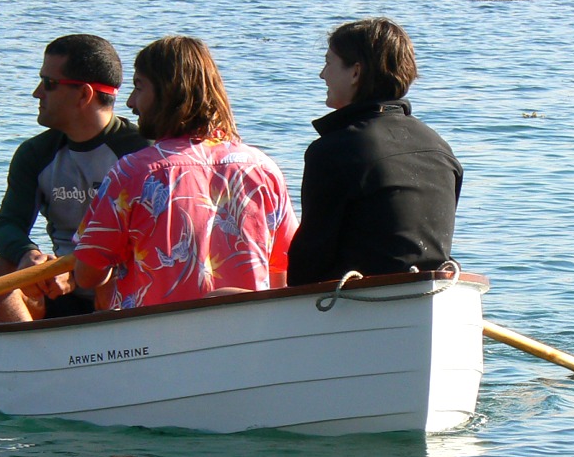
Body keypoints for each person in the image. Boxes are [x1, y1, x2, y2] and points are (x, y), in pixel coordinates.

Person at [72, 35, 298, 309]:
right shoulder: (263, 168)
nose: (131, 102)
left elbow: (87, 274)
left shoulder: (134, 173)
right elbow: (282, 268)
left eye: (138, 88)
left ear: (168, 92)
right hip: (247, 336)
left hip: (157, 338)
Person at [0, 34, 152, 322]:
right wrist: (28, 256)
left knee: (104, 284)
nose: (37, 93)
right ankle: (29, 358)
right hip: (59, 289)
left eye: (49, 84)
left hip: (120, 290)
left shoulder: (142, 154)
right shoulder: (35, 154)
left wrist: (78, 274)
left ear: (84, 95)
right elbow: (8, 224)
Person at [286, 18, 463, 286]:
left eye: (329, 62)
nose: (322, 74)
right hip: (432, 291)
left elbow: (307, 265)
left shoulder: (334, 150)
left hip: (357, 304)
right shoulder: (439, 148)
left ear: (355, 72)